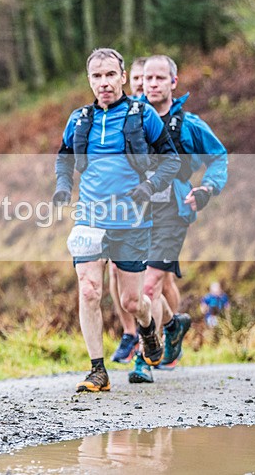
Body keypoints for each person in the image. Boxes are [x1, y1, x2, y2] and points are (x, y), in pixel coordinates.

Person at [53, 48, 180, 392]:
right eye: (97, 76)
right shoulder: (80, 119)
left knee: (132, 302)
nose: (104, 82)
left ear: (123, 77)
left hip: (132, 219)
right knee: (89, 289)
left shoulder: (142, 114)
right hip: (89, 218)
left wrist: (148, 186)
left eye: (111, 75)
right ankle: (98, 370)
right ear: (89, 80)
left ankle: (150, 331)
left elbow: (171, 160)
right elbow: (64, 158)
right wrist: (63, 187)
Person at [128, 54, 228, 383]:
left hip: (173, 210)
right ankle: (172, 325)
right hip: (134, 211)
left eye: (160, 79)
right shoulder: (128, 118)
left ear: (173, 82)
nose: (152, 84)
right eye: (147, 79)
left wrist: (207, 189)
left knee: (151, 284)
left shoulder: (189, 124)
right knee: (132, 288)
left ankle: (144, 359)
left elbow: (218, 158)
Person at [109, 56, 147, 364]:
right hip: (122, 207)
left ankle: (163, 332)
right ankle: (130, 333)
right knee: (114, 269)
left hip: (160, 205)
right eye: (136, 78)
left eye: (145, 78)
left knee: (158, 280)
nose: (140, 84)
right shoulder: (116, 112)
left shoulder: (153, 114)